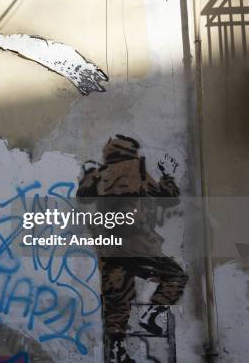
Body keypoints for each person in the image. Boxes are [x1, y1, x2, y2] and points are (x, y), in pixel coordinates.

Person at [77, 135, 189, 363]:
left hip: (110, 251)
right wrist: (168, 174)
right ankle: (152, 314)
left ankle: (117, 352)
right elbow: (170, 199)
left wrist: (88, 173)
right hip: (139, 247)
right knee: (175, 276)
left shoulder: (100, 174)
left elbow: (83, 196)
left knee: (116, 305)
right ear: (131, 150)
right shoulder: (136, 170)